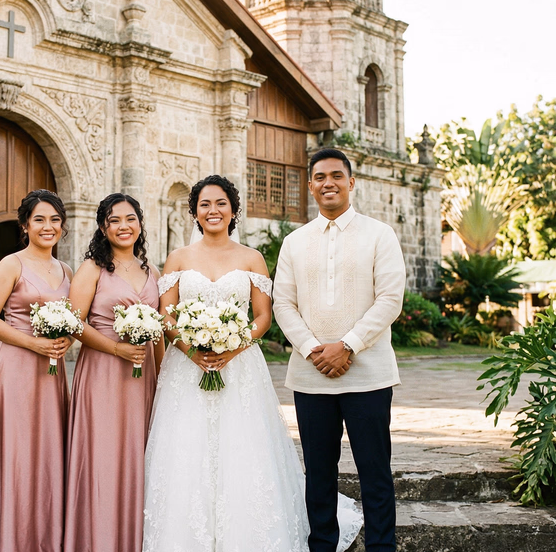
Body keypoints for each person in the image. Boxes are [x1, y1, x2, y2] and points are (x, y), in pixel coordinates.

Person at [143, 175, 362, 552]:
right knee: (185, 451)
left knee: (243, 450)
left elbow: (262, 316)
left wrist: (233, 345)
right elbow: (166, 316)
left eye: (220, 203)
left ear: (233, 210)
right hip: (186, 369)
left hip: (240, 367)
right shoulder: (178, 258)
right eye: (205, 204)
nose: (213, 210)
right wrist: (192, 351)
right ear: (195, 212)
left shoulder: (251, 258)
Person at [273, 148, 406, 552]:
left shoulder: (379, 234)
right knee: (318, 475)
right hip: (311, 378)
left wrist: (348, 345)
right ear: (310, 185)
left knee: (375, 472)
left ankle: (381, 547)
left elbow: (390, 298)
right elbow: (283, 303)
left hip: (369, 374)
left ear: (351, 182)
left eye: (336, 176)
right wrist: (316, 349)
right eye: (319, 177)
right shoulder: (295, 242)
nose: (327, 183)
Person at [0, 189, 73, 552]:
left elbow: (74, 322)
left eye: (55, 220)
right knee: (17, 455)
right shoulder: (12, 264)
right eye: (40, 219)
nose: (48, 226)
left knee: (48, 455)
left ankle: (42, 536)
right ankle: (10, 538)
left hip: (53, 373)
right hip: (16, 369)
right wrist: (33, 343)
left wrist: (64, 342)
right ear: (25, 225)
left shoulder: (67, 270)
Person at [65, 193, 163, 552]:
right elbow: (74, 324)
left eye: (130, 219)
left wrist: (165, 375)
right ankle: (98, 538)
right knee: (104, 455)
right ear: (103, 228)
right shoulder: (92, 268)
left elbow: (163, 330)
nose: (124, 226)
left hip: (144, 376)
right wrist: (118, 348)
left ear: (140, 223)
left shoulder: (153, 272)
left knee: (141, 454)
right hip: (103, 372)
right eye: (114, 220)